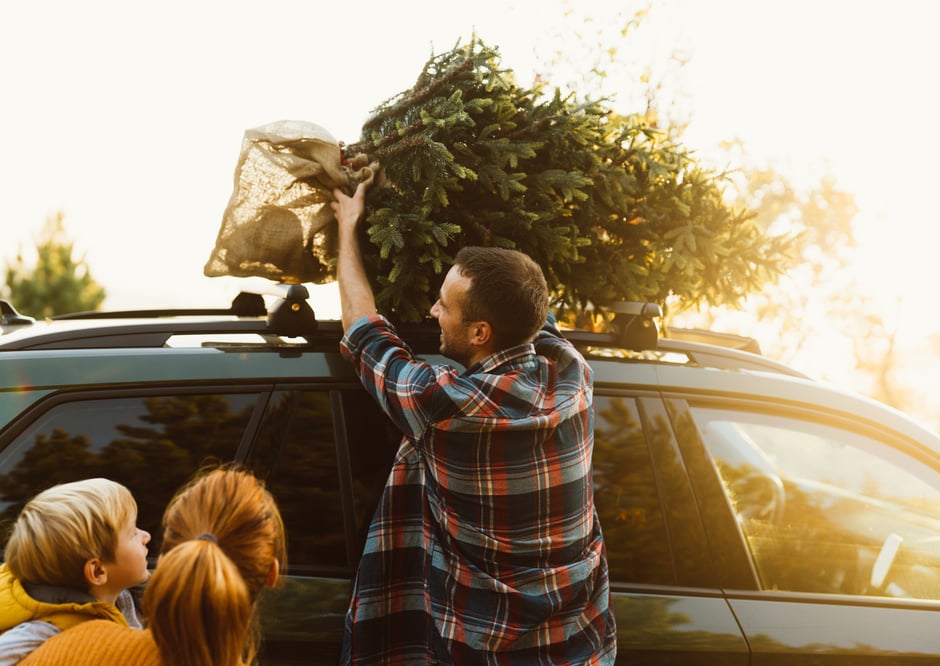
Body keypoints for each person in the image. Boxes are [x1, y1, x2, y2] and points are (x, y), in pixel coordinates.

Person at [332, 182, 617, 664]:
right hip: (576, 652)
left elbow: (363, 329)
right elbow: (525, 302)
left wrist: (347, 227)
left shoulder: (444, 404)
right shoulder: (574, 378)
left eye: (444, 304)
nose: (432, 311)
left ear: (481, 332)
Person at [20, 466, 286, 666]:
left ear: (170, 557)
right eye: (133, 532)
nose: (143, 535)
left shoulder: (69, 650)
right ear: (271, 574)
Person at [0, 478, 149, 665]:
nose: (146, 536)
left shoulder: (131, 599)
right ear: (98, 571)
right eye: (133, 533)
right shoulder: (48, 629)